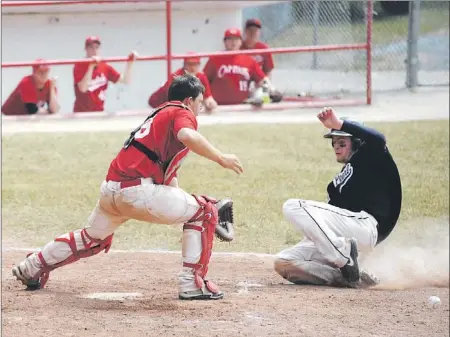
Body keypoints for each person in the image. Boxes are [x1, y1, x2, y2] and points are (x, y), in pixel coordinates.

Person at [12, 74, 243, 301]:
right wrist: (221, 158)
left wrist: (184, 206)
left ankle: (31, 267)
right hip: (138, 193)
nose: (199, 109)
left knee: (90, 237)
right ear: (187, 100)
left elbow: (169, 181)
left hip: (112, 191)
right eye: (199, 103)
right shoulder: (180, 111)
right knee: (206, 210)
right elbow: (187, 134)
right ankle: (192, 284)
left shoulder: (157, 118)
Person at [274, 107, 402, 288]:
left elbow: (378, 138)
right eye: (334, 143)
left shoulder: (370, 156)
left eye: (342, 143)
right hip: (348, 235)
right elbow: (328, 217)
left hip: (366, 226)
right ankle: (353, 277)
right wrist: (315, 238)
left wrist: (338, 124)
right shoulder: (340, 181)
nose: (336, 147)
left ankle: (344, 258)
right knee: (284, 261)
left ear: (357, 143)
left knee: (293, 206)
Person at [203, 28, 277, 106]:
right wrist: (208, 97)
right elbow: (203, 80)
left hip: (242, 108)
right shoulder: (215, 58)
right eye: (230, 39)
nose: (233, 42)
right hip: (218, 106)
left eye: (236, 39)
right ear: (225, 42)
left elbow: (263, 80)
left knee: (260, 93)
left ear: (241, 42)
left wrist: (272, 90)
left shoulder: (249, 60)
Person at [73, 36, 138, 113]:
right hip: (82, 113)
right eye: (91, 47)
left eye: (97, 47)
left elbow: (125, 81)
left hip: (99, 112)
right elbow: (83, 88)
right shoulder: (79, 65)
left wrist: (130, 63)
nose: (94, 50)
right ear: (86, 49)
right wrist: (91, 66)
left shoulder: (105, 66)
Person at [148, 54, 217, 112]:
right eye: (190, 64)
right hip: (157, 104)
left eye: (195, 64)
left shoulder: (201, 77)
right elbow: (174, 101)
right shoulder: (176, 76)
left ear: (199, 65)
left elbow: (208, 97)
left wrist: (210, 104)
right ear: (184, 65)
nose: (192, 68)